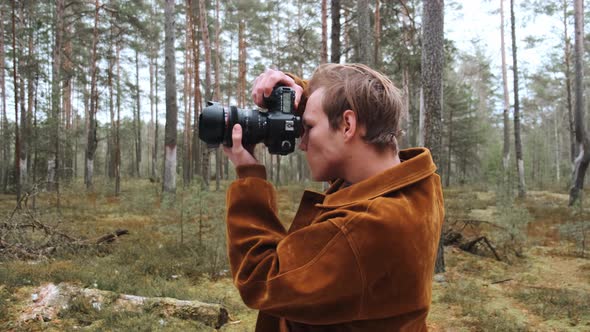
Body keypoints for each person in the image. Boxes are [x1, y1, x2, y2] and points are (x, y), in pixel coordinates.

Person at [222, 63, 444, 331]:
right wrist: (297, 96)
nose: (302, 144)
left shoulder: (365, 226)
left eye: (309, 127)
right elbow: (341, 116)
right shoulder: (416, 183)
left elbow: (260, 277)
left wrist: (249, 177)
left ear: (348, 124)